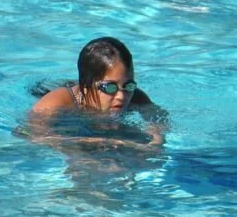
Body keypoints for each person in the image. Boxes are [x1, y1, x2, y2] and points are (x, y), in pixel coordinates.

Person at [28, 37, 167, 151]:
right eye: (110, 87)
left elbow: (159, 119)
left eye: (128, 85)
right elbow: (31, 133)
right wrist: (94, 141)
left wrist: (155, 142)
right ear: (86, 87)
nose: (122, 96)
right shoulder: (59, 101)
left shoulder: (136, 97)